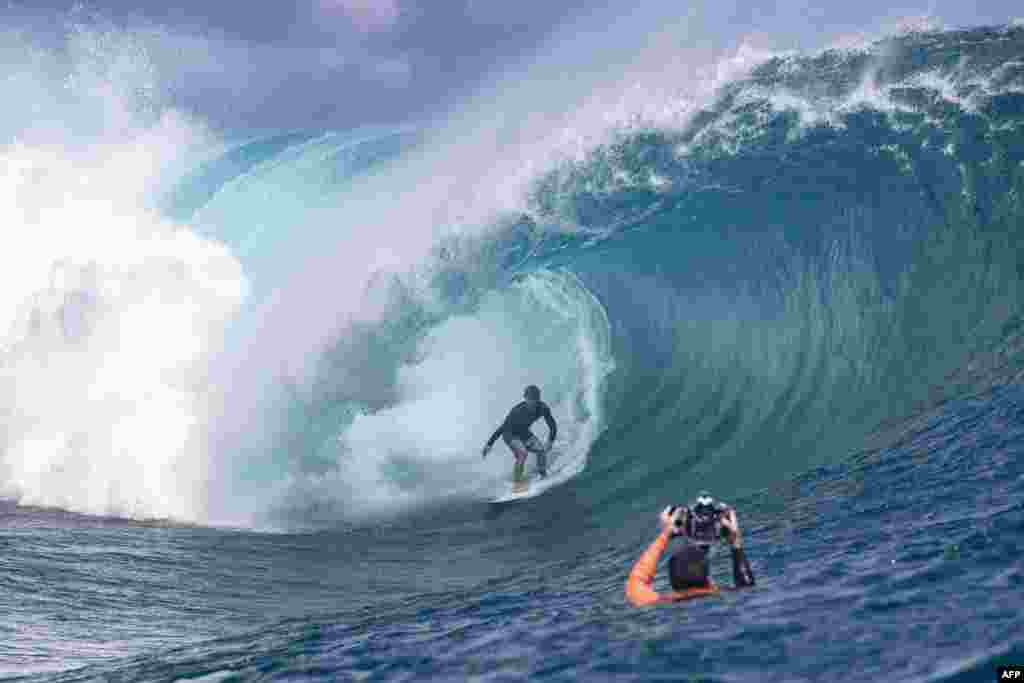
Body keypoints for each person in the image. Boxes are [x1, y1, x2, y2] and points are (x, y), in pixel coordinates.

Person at [625, 501, 755, 607]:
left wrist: (666, 533)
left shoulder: (659, 603)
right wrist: (735, 542)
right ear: (708, 580)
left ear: (672, 582)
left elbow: (636, 580)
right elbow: (748, 588)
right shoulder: (728, 596)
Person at [482, 385, 557, 481]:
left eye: (536, 398)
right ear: (525, 398)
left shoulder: (543, 408)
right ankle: (517, 480)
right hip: (509, 434)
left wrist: (550, 441)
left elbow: (552, 426)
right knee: (523, 453)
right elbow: (502, 428)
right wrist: (489, 444)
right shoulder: (517, 411)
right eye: (530, 399)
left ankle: (543, 474)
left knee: (541, 450)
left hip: (524, 433)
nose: (533, 402)